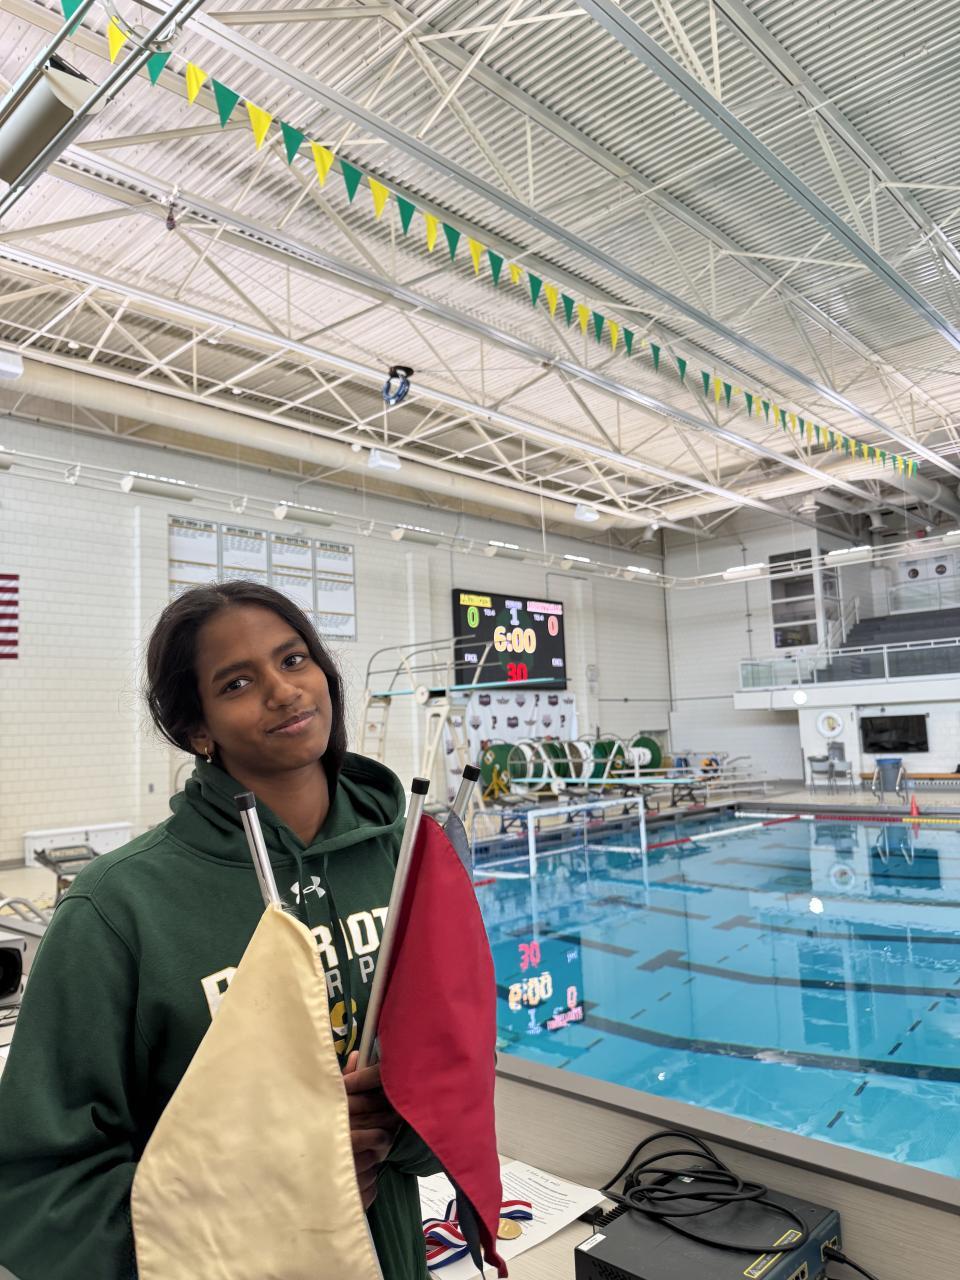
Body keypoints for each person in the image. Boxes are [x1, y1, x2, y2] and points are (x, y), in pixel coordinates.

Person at [0, 580, 439, 1279]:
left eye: (294, 659)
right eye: (237, 682)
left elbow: (455, 1075)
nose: (283, 691)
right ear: (196, 728)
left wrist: (404, 1122)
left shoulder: (405, 859)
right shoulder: (119, 909)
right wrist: (255, 1210)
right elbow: (37, 1194)